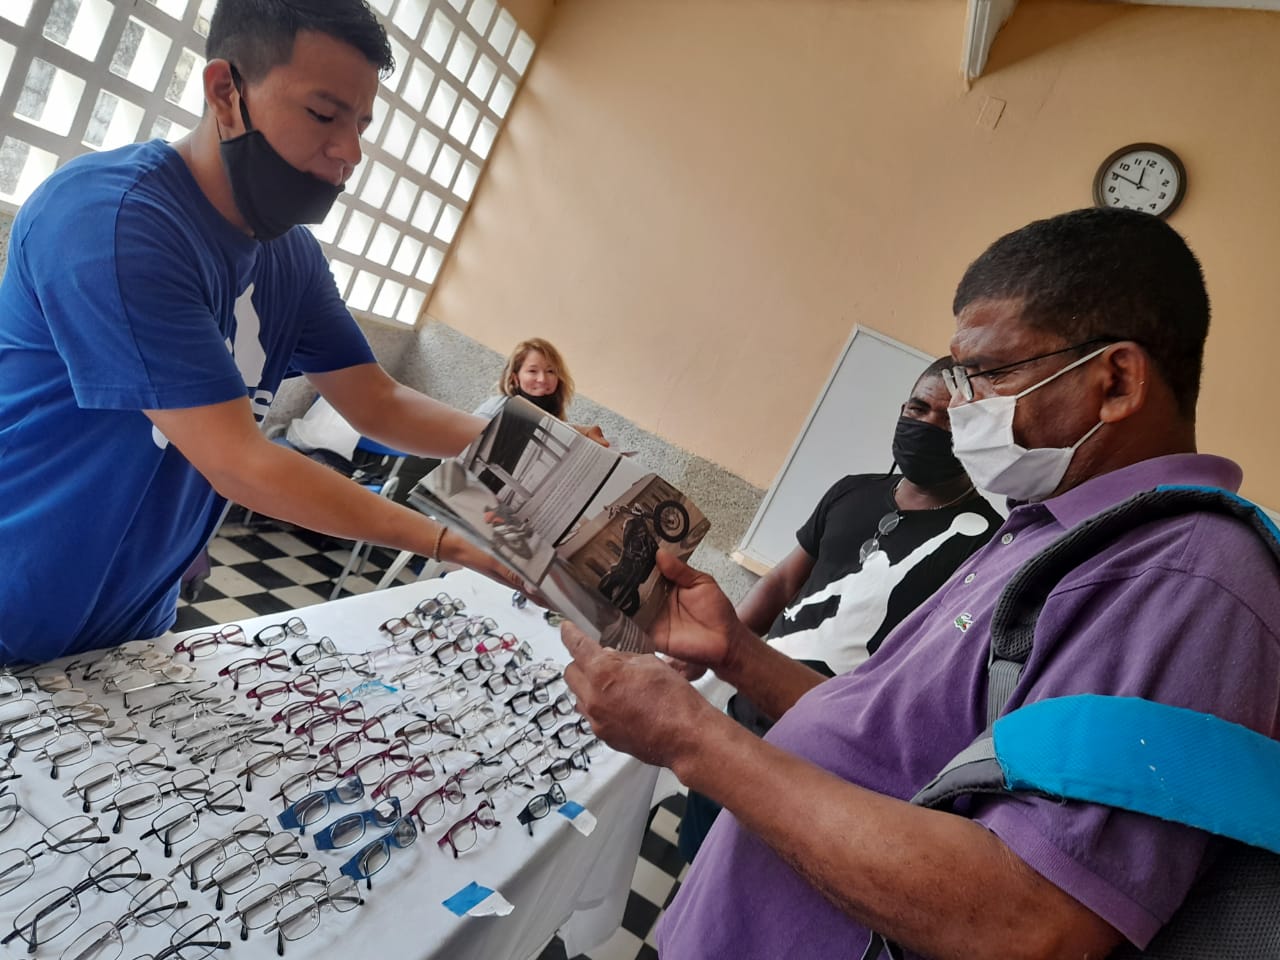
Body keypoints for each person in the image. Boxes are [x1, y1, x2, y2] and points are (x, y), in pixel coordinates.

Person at [560, 208, 1280, 959]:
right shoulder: (1048, 531)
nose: (964, 407)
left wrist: (693, 737)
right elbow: (889, 746)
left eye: (992, 373)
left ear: (1116, 382)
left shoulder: (1185, 580)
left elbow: (1032, 921)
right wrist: (737, 652)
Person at [0, 0, 516, 664]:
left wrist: (535, 456)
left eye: (361, 125)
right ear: (224, 92)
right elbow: (239, 461)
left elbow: (376, 401)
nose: (350, 152)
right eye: (324, 116)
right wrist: (450, 542)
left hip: (131, 625)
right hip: (18, 611)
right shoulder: (116, 224)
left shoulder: (288, 256)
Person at [677, 357, 1003, 861]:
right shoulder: (853, 489)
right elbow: (785, 579)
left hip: (820, 759)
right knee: (697, 852)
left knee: (753, 882)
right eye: (919, 408)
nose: (929, 426)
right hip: (741, 718)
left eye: (952, 419)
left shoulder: (987, 546)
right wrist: (716, 644)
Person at [474, 337, 607, 445]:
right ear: (515, 378)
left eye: (550, 371)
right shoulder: (496, 408)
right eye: (532, 371)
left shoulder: (556, 420)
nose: (542, 379)